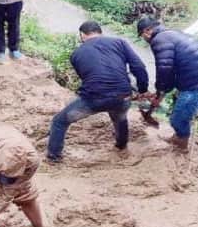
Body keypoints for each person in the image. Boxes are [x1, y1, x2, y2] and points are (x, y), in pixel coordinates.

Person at [46, 21, 149, 163]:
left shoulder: (76, 54)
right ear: (100, 32)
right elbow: (139, 67)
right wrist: (142, 89)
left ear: (82, 35)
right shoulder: (120, 43)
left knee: (59, 121)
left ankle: (53, 157)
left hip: (94, 98)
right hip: (122, 95)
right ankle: (122, 146)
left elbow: (87, 78)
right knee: (119, 117)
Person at [137, 16, 198, 152]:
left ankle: (181, 145)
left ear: (147, 31)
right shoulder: (172, 33)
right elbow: (170, 71)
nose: (144, 39)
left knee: (178, 119)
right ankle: (179, 137)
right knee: (180, 115)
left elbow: (164, 69)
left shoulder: (159, 40)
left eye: (142, 36)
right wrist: (160, 94)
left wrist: (160, 91)